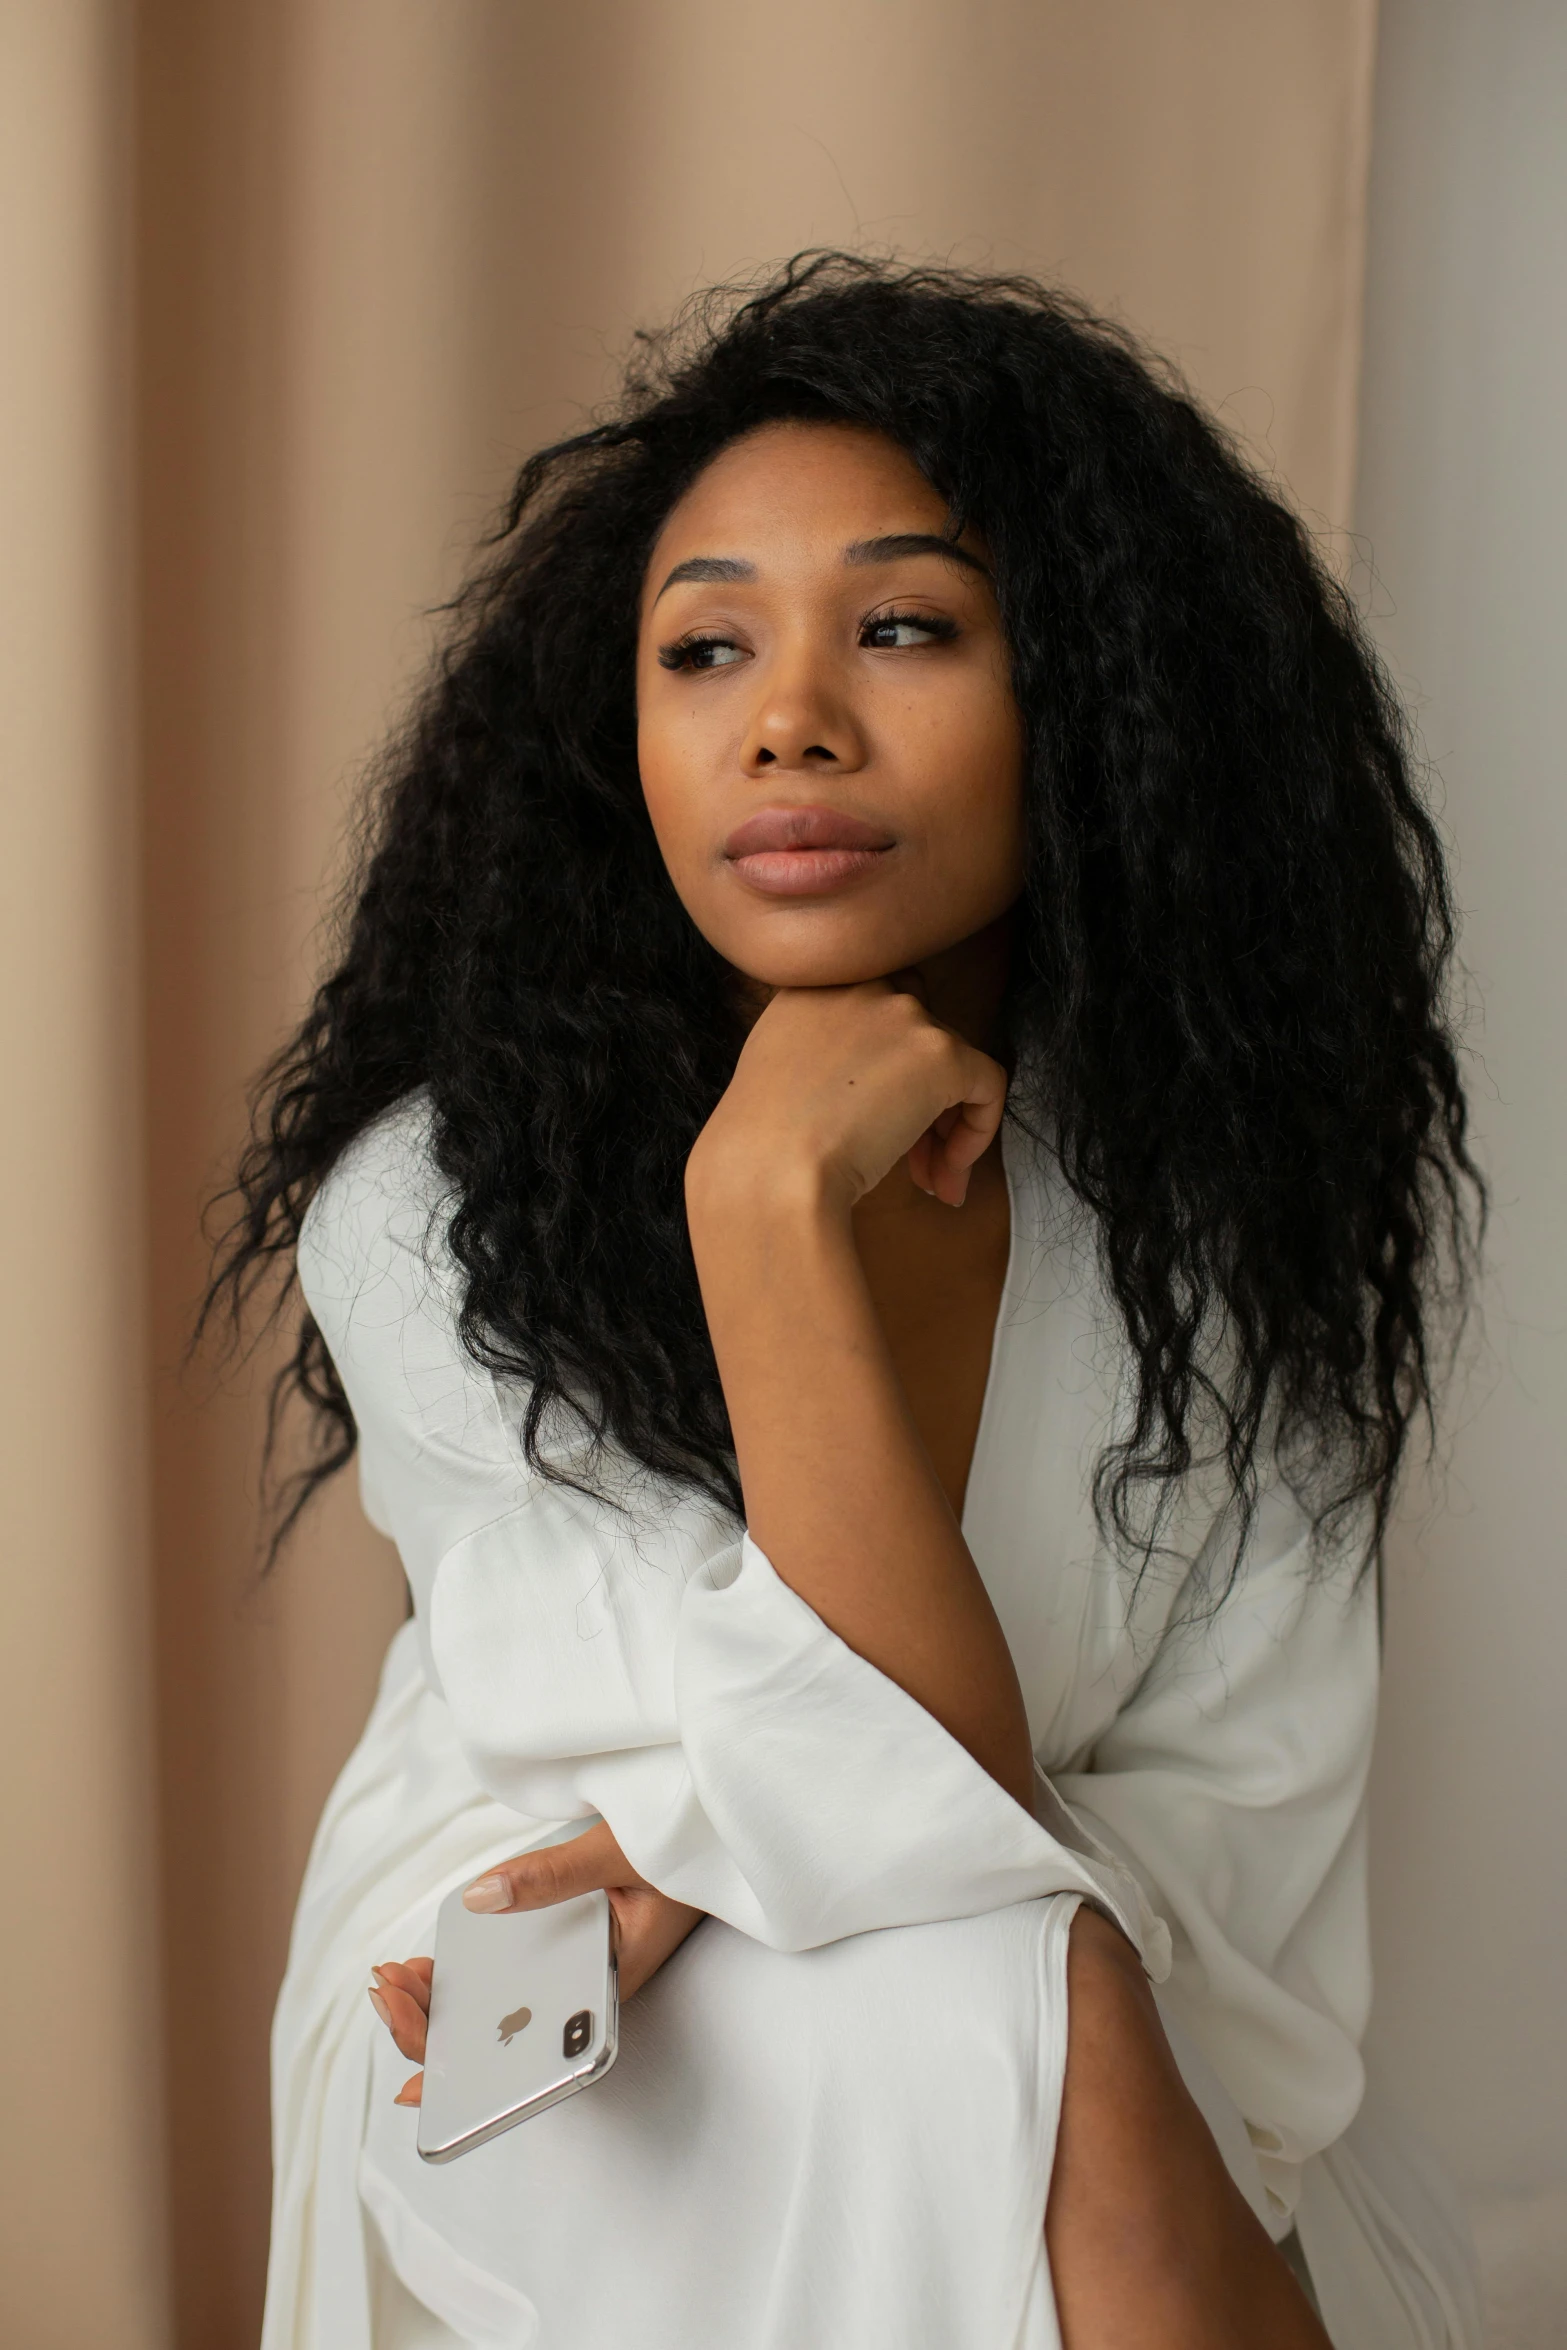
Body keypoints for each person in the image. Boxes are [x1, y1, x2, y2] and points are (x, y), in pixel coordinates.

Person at [212, 255, 1484, 2349]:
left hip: (1069, 1944)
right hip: (550, 1987)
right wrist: (761, 1201)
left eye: (905, 625)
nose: (789, 716)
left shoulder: (1217, 1210)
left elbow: (1237, 1798)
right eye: (705, 647)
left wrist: (795, 1843)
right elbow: (819, 1763)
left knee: (1023, 1967)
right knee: (1004, 1978)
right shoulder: (435, 1201)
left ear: (1082, 690)